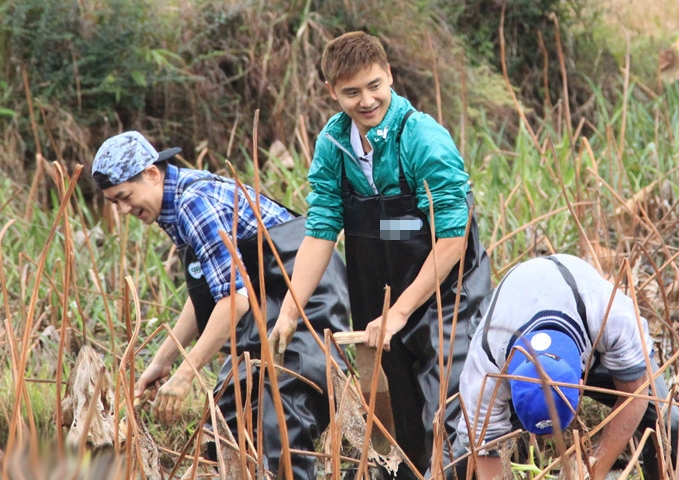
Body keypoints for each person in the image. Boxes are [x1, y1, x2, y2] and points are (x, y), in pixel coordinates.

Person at [269, 31, 492, 478]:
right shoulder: (334, 145)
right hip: (378, 294)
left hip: (444, 292)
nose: (367, 100)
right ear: (332, 92)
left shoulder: (423, 139)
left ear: (389, 75)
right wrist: (291, 310)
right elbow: (321, 231)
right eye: (351, 92)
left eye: (375, 85)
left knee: (450, 414)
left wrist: (402, 312)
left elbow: (452, 237)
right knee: (399, 423)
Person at [91, 130, 350, 480]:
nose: (122, 210)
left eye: (124, 197)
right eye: (113, 202)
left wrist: (186, 373)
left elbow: (234, 300)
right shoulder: (175, 204)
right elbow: (208, 294)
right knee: (226, 420)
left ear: (152, 174)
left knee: (280, 425)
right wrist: (162, 361)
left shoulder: (194, 202)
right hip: (264, 310)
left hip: (305, 303)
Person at [457, 254, 679, 480]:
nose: (554, 439)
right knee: (458, 458)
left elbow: (635, 395)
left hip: (589, 331)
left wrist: (594, 467)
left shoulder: (611, 317)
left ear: (581, 385)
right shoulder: (486, 366)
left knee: (668, 424)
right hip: (507, 318)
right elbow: (486, 450)